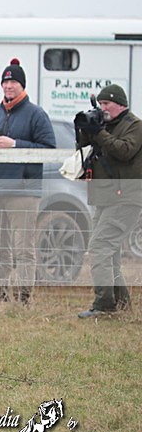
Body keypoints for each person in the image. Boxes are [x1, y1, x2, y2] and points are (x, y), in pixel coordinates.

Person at [0, 58, 56, 304]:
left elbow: (49, 149)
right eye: (6, 81)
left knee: (23, 250)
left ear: (22, 85)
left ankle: (23, 298)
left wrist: (15, 145)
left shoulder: (36, 114)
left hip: (23, 192)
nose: (9, 86)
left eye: (13, 81)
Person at [75, 84, 142, 318]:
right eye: (100, 104)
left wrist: (99, 133)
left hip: (127, 198)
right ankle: (122, 306)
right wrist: (85, 130)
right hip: (105, 197)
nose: (103, 109)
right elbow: (83, 147)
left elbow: (124, 151)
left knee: (100, 247)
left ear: (120, 104)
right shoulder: (106, 125)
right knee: (109, 252)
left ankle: (104, 305)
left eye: (106, 105)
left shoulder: (135, 125)